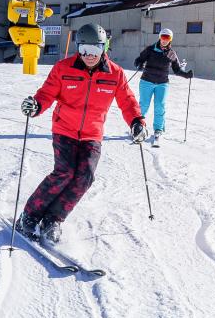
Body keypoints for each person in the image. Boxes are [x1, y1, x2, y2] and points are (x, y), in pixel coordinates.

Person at [17, 23, 145, 244]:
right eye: (84, 50)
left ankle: (53, 219)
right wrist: (36, 105)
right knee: (64, 173)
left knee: (85, 177)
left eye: (95, 50)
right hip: (64, 128)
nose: (89, 56)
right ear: (78, 48)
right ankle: (29, 216)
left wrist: (136, 121)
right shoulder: (63, 68)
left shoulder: (115, 74)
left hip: (92, 134)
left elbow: (127, 101)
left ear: (104, 48)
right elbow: (47, 93)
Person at [132, 28, 190, 140]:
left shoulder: (172, 54)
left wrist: (186, 75)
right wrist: (139, 64)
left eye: (167, 38)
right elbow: (138, 60)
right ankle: (138, 125)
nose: (164, 40)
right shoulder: (150, 49)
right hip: (146, 81)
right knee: (143, 105)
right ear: (159, 37)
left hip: (162, 83)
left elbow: (177, 70)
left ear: (170, 39)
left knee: (160, 106)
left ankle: (158, 129)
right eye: (163, 37)